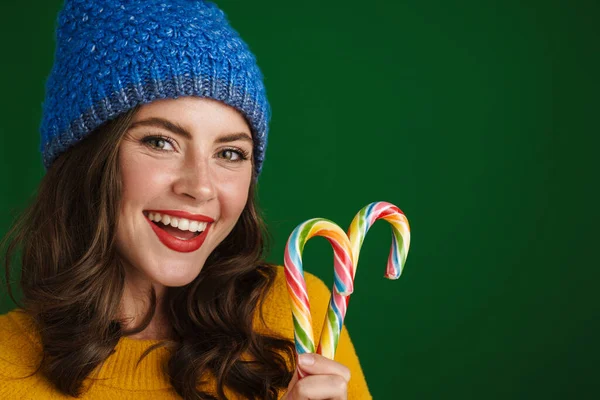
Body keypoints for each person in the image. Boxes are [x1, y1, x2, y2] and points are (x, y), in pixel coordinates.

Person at [0, 0, 372, 399]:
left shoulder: (301, 316)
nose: (201, 187)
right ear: (87, 159)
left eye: (230, 153)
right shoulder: (8, 367)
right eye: (161, 142)